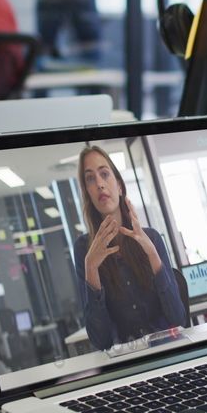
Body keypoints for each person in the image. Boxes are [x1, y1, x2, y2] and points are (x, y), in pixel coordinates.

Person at [72, 145, 187, 351]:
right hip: (127, 361)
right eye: (90, 179)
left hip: (166, 351)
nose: (99, 184)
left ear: (119, 185)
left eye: (104, 174)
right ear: (87, 193)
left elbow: (179, 319)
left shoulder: (150, 237)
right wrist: (91, 269)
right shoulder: (84, 250)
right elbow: (101, 341)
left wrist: (151, 253)